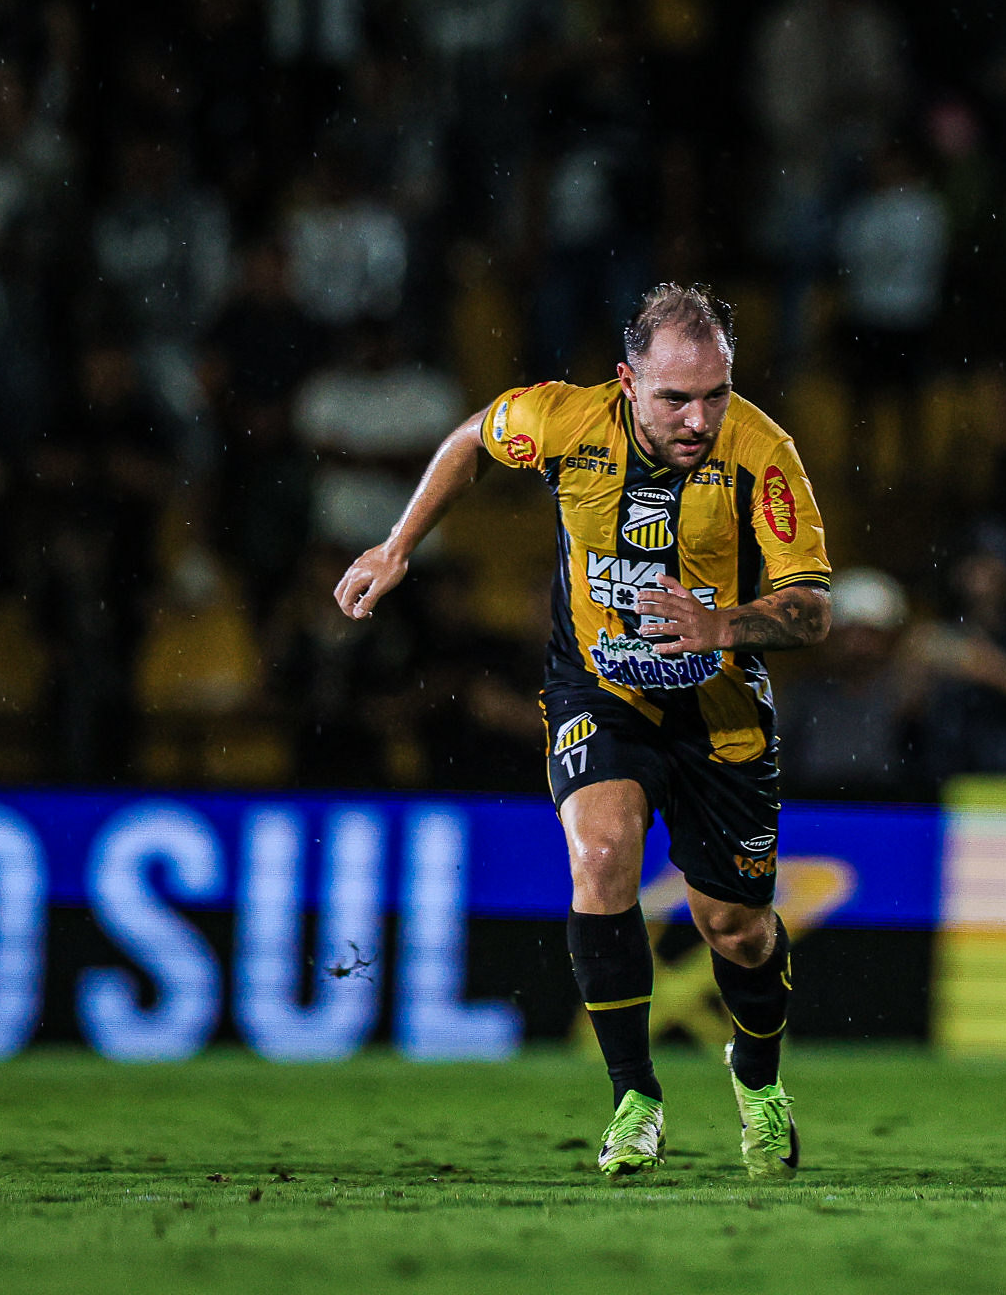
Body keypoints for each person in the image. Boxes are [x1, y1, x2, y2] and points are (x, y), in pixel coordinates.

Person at [333, 284, 832, 1179]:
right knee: (602, 854)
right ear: (626, 382)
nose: (698, 417)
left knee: (737, 929)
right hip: (597, 690)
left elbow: (813, 611)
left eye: (715, 393)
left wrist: (723, 623)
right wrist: (400, 542)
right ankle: (634, 1098)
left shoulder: (764, 451)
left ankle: (757, 1074)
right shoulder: (563, 421)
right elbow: (471, 439)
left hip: (719, 706)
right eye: (675, 397)